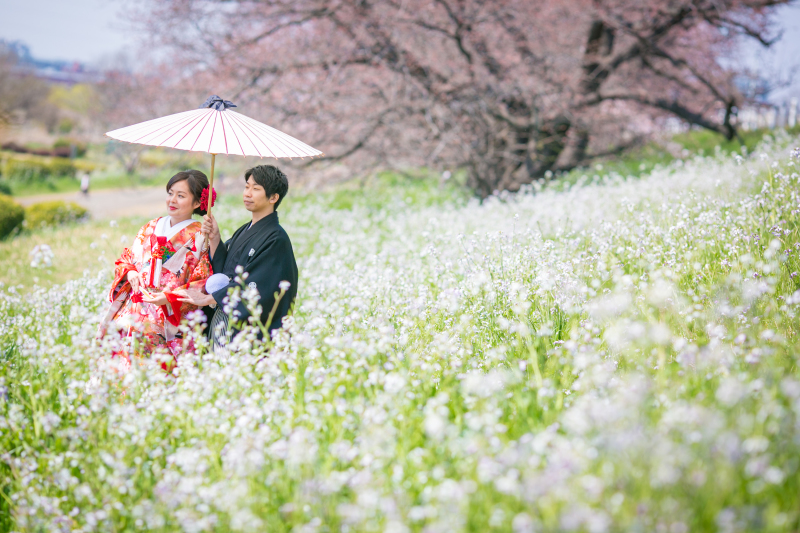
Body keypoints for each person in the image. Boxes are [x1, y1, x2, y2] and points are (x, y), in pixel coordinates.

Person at [97, 170, 214, 371]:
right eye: (170, 193)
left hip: (165, 316)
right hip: (133, 310)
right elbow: (128, 259)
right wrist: (130, 272)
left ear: (197, 202)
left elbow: (201, 280)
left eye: (181, 195)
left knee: (156, 373)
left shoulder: (200, 236)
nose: (172, 200)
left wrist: (169, 297)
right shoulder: (151, 226)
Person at [180, 165, 298, 346]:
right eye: (247, 186)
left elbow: (260, 285)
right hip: (225, 318)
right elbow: (226, 269)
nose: (247, 193)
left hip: (248, 331)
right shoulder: (245, 229)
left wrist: (210, 298)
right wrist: (215, 238)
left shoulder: (276, 239)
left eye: (256, 189)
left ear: (273, 197)